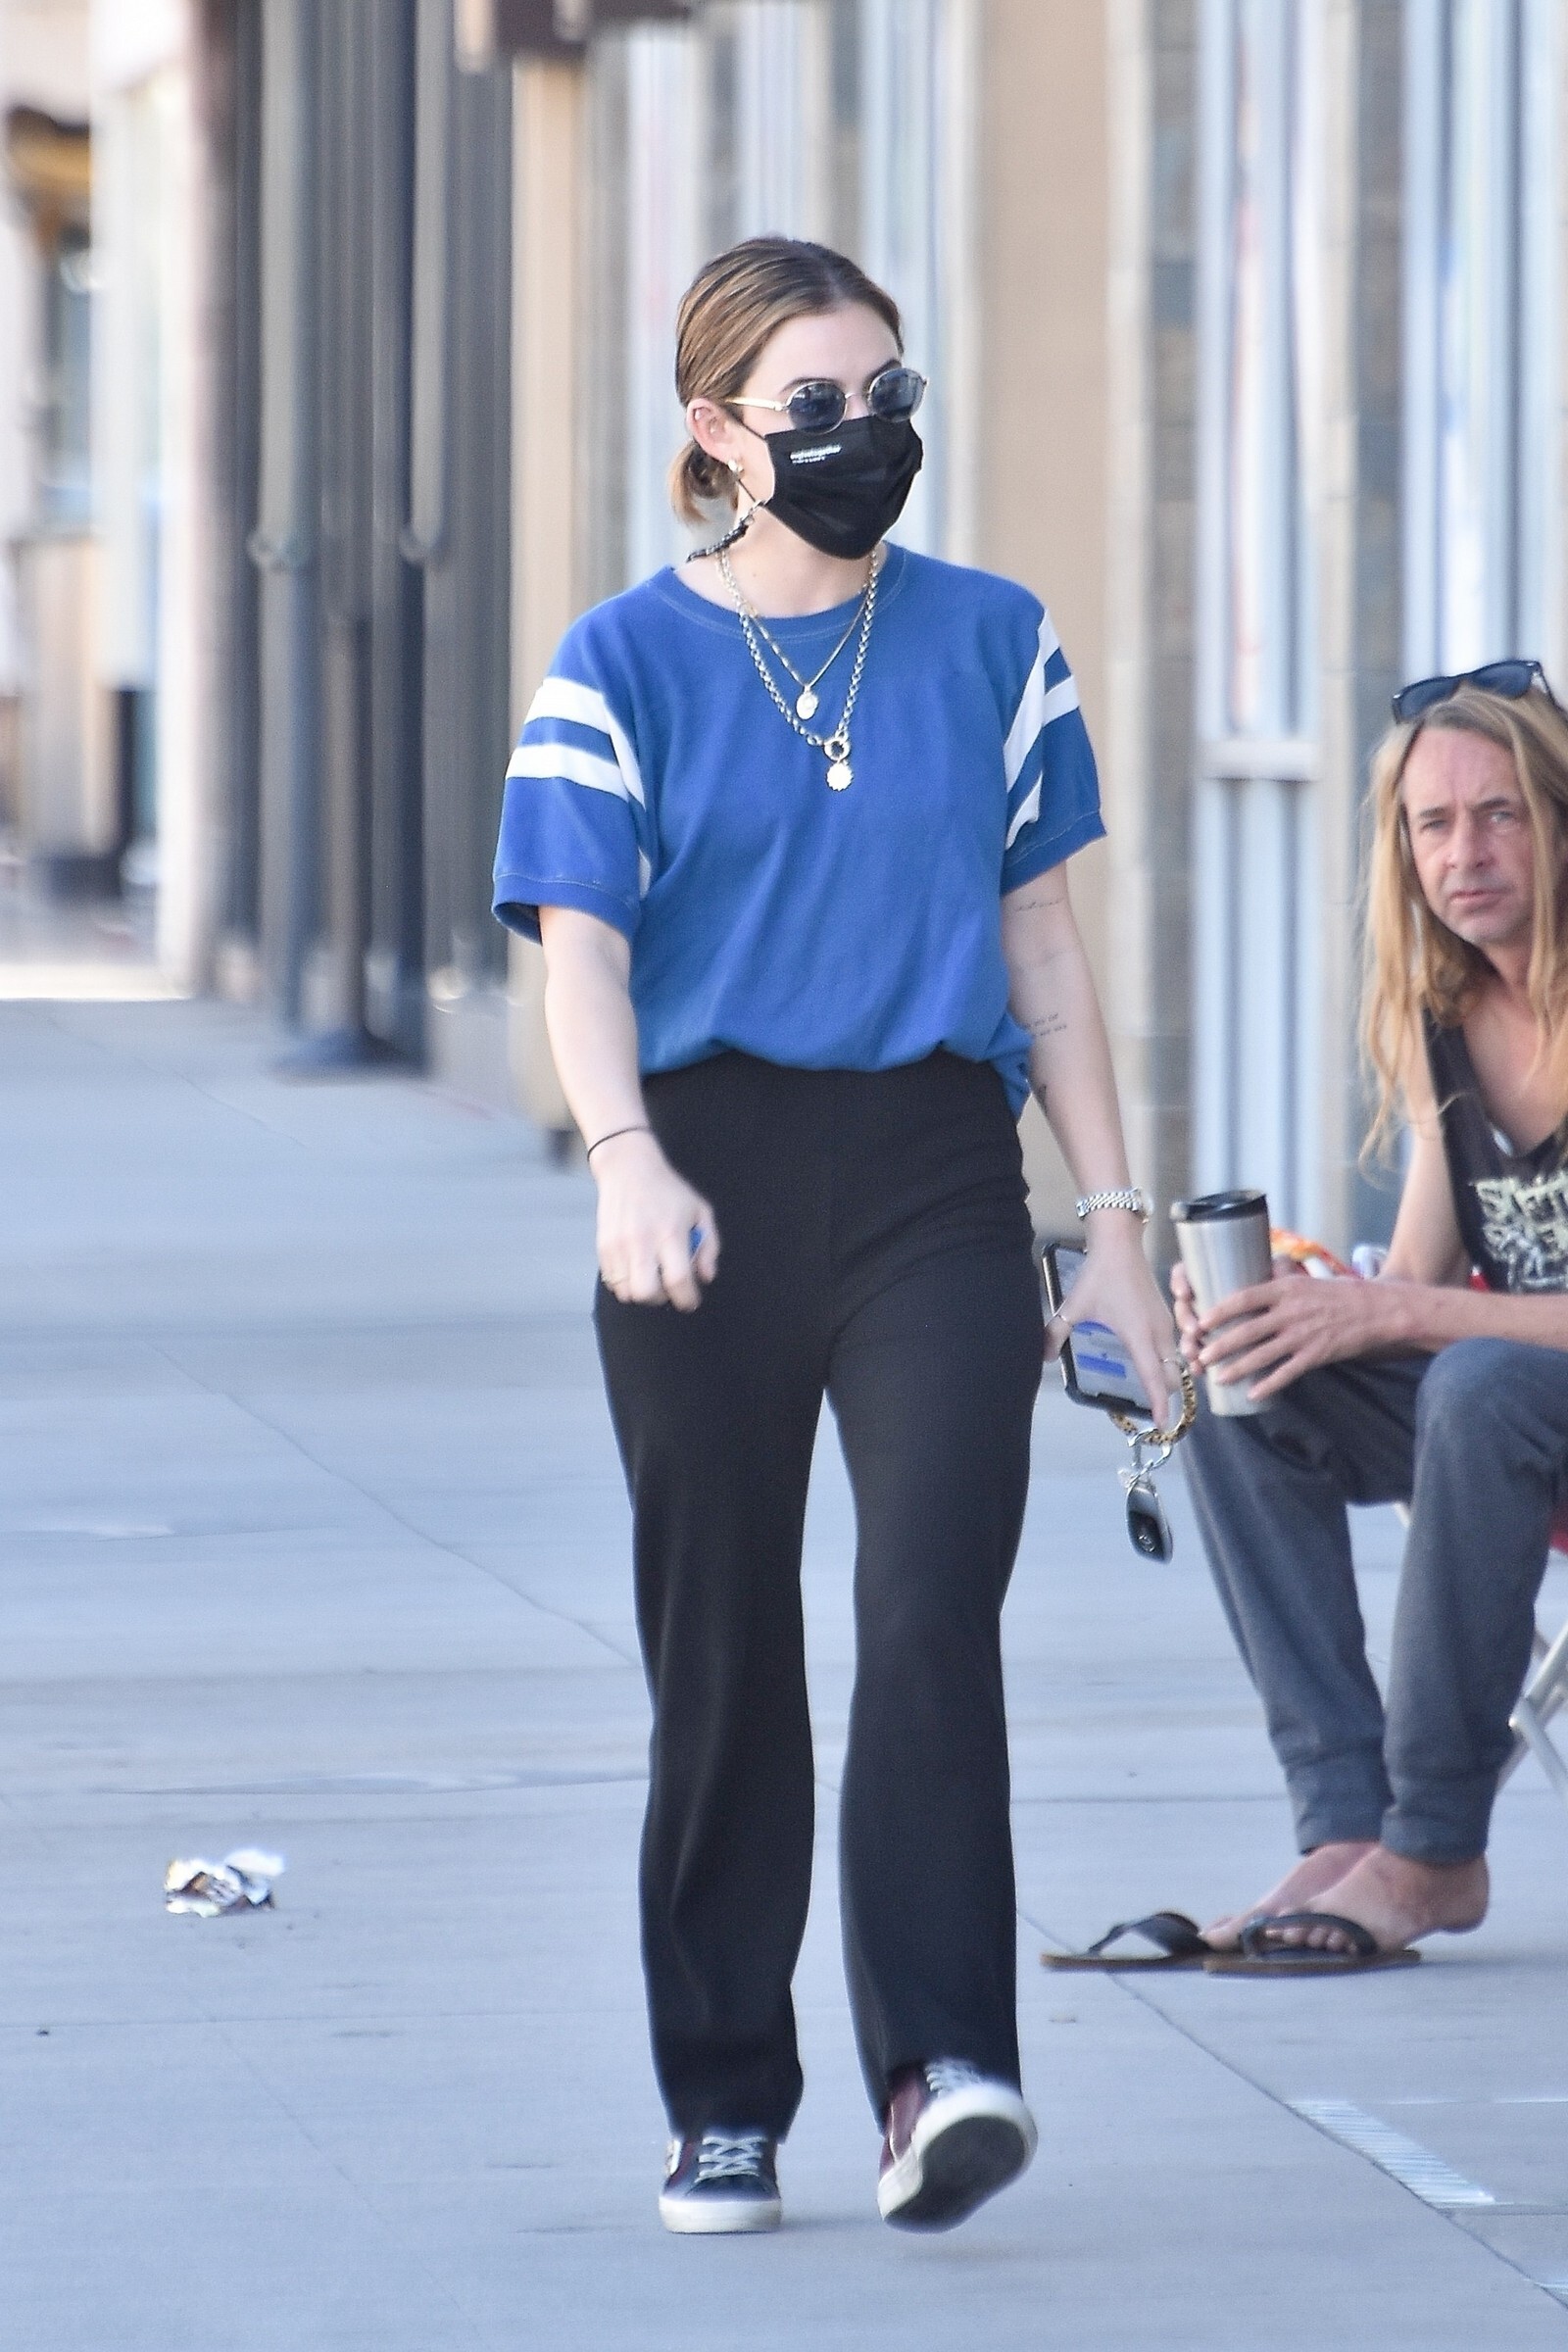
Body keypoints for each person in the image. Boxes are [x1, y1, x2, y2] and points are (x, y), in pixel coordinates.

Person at [492, 235, 1174, 2230]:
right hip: (697, 1173)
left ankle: (939, 2071)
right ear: (717, 431)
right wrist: (623, 1157)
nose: (864, 433)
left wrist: (1111, 1231)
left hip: (933, 1174)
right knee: (720, 1643)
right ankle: (724, 2096)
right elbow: (582, 952)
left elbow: (1043, 947)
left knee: (929, 1603)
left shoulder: (992, 640)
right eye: (815, 405)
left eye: (889, 394)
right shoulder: (616, 662)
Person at [1175, 662, 1568, 1968]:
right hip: (1509, 1424)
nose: (1465, 853)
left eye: (1501, 814)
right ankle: (1346, 1825)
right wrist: (1299, 1304)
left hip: (1511, 1410)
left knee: (1476, 1382)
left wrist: (1401, 1311)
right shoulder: (1446, 1019)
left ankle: (1436, 1848)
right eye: (1432, 823)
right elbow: (1414, 1284)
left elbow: (1434, 1322)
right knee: (1236, 1370)